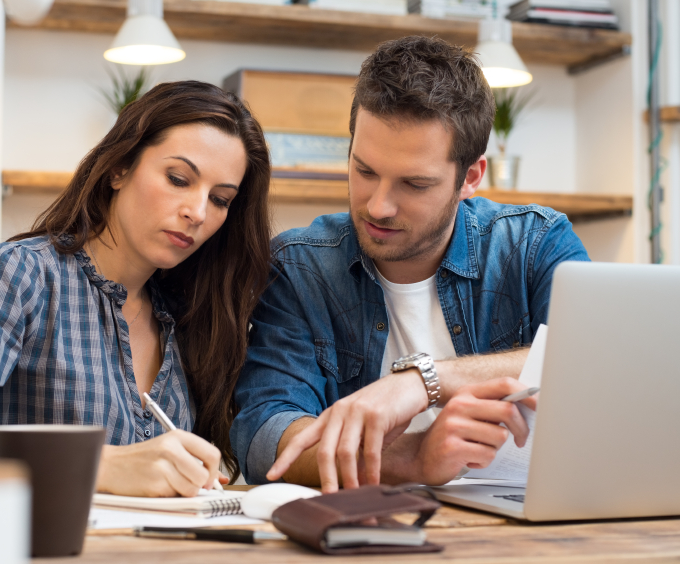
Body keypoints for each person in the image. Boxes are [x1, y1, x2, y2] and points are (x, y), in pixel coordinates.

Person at [231, 36, 589, 492]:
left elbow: (598, 360)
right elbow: (265, 438)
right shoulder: (299, 266)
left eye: (414, 184)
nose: (379, 206)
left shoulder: (533, 244)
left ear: (470, 178)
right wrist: (412, 459)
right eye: (364, 171)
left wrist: (423, 381)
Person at [0, 81, 272, 497]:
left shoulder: (192, 317)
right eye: (178, 178)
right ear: (119, 168)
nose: (197, 212)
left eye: (220, 200)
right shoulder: (19, 274)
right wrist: (99, 466)